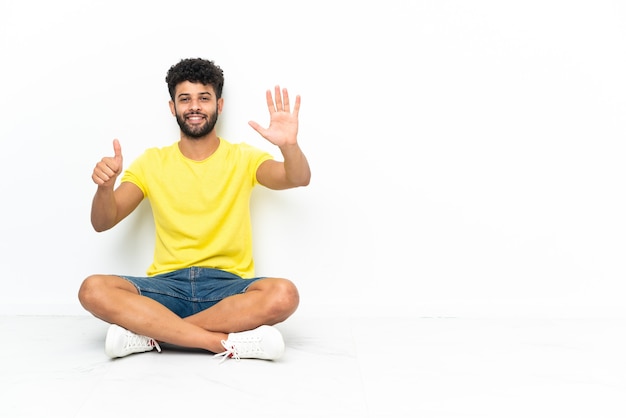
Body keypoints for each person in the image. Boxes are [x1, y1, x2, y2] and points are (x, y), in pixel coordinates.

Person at [78, 58, 311, 361]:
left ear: (220, 104)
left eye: (204, 97)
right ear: (172, 107)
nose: (194, 106)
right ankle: (222, 343)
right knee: (92, 289)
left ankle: (150, 335)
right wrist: (105, 189)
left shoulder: (243, 158)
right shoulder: (151, 162)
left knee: (284, 294)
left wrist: (289, 147)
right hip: (166, 288)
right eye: (184, 99)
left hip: (227, 288)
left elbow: (298, 177)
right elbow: (103, 221)